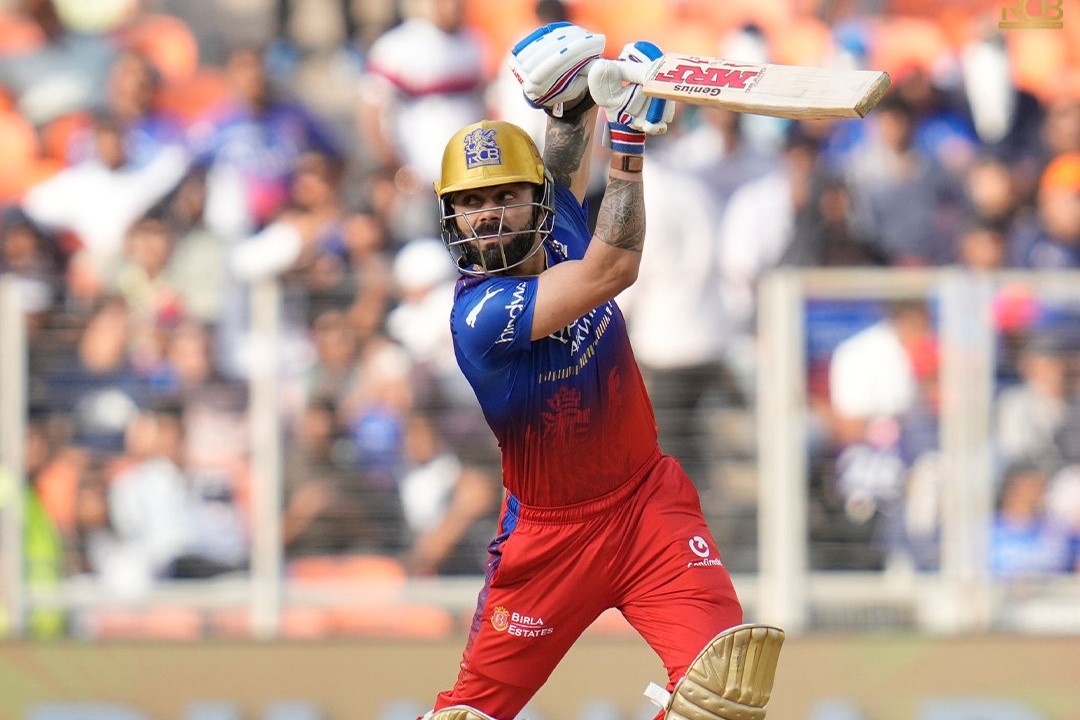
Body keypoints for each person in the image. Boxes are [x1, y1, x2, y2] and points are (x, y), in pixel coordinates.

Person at [419, 22, 783, 720]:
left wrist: (575, 101)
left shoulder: (555, 219)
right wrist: (629, 135)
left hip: (647, 507)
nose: (486, 216)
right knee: (469, 715)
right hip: (548, 544)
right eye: (469, 203)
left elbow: (559, 168)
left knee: (722, 693)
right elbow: (613, 268)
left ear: (533, 200)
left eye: (502, 197)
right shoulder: (480, 315)